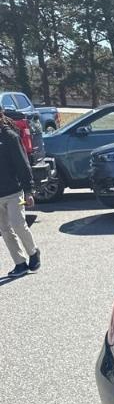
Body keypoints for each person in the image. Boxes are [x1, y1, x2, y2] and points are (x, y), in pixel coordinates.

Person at [0, 107, 40, 277]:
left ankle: (33, 252)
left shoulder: (10, 137)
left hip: (14, 192)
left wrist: (29, 190)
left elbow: (23, 165)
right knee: (5, 230)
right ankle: (20, 263)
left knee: (18, 224)